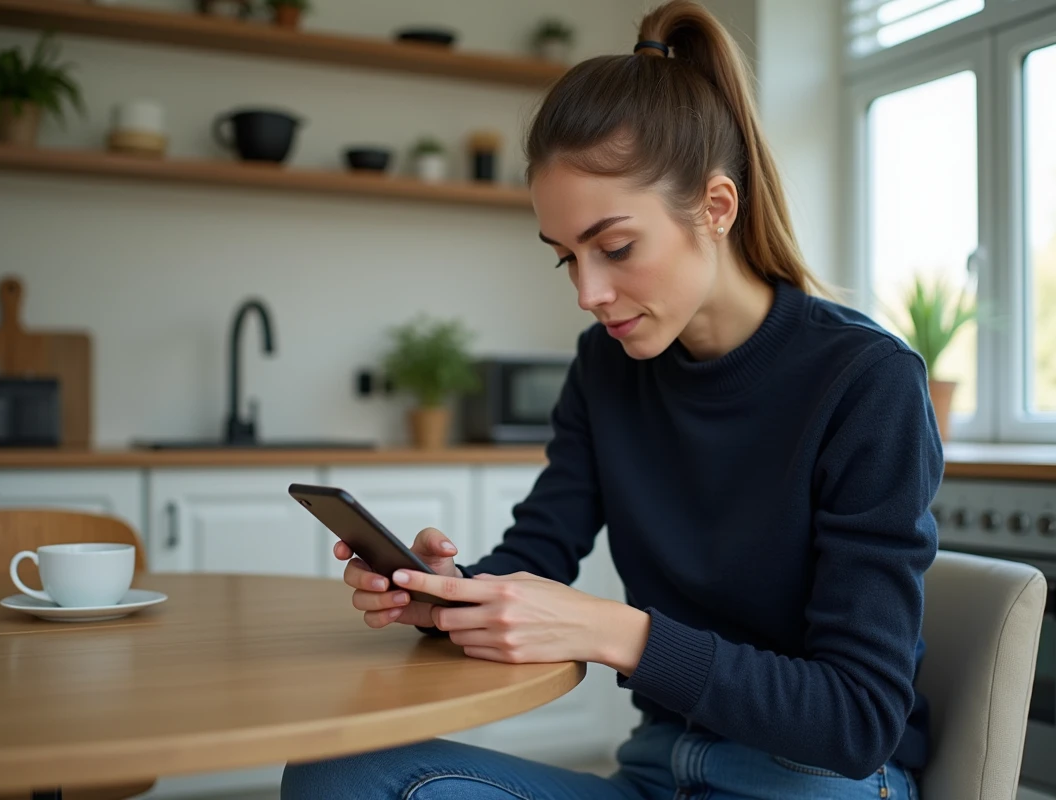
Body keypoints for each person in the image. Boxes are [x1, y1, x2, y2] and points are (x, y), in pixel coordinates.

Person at [282, 1, 942, 797]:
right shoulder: (606, 368)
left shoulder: (867, 382)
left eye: (616, 247)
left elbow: (856, 719)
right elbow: (539, 553)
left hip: (813, 780)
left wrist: (612, 632)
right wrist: (446, 598)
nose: (589, 292)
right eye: (566, 258)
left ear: (716, 208)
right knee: (335, 775)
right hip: (659, 769)